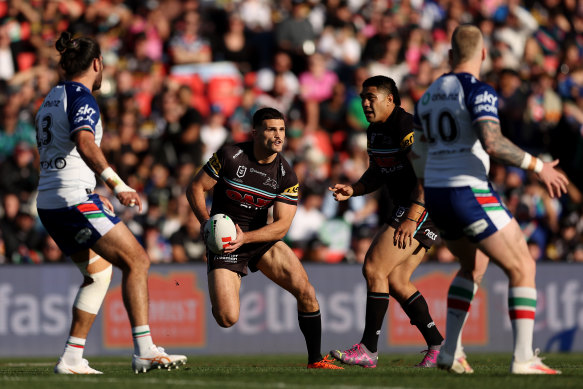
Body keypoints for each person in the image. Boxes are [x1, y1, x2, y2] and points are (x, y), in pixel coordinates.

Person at [414, 24, 568, 374]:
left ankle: (450, 351)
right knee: (523, 266)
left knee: (473, 267)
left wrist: (428, 188)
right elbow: (493, 143)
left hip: (437, 194)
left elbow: (418, 153)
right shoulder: (478, 89)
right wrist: (537, 166)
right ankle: (524, 358)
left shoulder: (428, 94)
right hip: (468, 190)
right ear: (482, 54)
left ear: (451, 55)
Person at [35, 32, 186, 374]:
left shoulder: (51, 97)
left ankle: (72, 357)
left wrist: (88, 187)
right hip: (73, 199)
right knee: (138, 261)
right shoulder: (82, 97)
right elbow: (85, 142)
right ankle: (145, 349)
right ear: (97, 64)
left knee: (98, 273)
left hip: (50, 200)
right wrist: (117, 184)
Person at [186, 107, 342, 370]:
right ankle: (220, 279)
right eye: (271, 129)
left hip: (257, 237)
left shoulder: (286, 175)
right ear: (256, 132)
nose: (279, 135)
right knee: (226, 317)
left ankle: (316, 360)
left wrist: (246, 238)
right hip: (225, 243)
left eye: (281, 129)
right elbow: (195, 187)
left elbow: (281, 227)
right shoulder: (230, 156)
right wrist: (206, 225)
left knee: (306, 291)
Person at [328, 76, 446, 369]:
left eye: (371, 97)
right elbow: (377, 173)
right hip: (421, 207)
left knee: (373, 267)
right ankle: (439, 346)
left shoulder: (406, 127)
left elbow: (425, 176)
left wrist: (412, 216)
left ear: (390, 99)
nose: (365, 103)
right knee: (395, 280)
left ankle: (368, 348)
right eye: (362, 98)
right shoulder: (374, 131)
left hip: (423, 204)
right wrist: (353, 189)